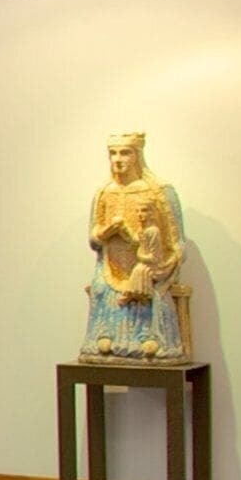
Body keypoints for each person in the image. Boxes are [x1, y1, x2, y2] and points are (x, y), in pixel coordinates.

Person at [81, 132, 191, 361]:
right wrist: (108, 231)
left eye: (125, 152)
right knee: (101, 288)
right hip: (111, 267)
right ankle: (105, 341)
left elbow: (177, 242)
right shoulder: (104, 193)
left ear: (137, 155)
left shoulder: (159, 191)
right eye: (112, 153)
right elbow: (94, 241)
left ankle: (149, 340)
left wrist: (166, 264)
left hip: (150, 266)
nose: (117, 159)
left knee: (147, 287)